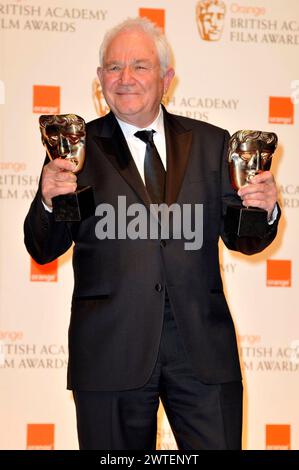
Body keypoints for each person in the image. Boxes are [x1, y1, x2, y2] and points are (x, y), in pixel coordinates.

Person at [24, 17, 280, 450]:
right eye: (113, 67)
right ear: (99, 78)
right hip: (110, 353)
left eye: (139, 66)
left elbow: (245, 240)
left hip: (201, 351)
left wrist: (266, 209)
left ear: (166, 77)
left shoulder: (213, 145)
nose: (125, 78)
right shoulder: (75, 149)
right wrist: (48, 201)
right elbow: (45, 248)